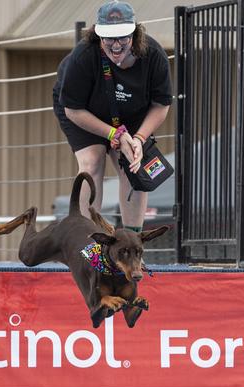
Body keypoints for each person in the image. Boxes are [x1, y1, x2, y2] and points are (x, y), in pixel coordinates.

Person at [53, 0, 172, 233]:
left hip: (131, 115)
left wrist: (137, 139)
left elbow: (161, 104)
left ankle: (132, 242)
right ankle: (88, 244)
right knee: (92, 161)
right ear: (98, 35)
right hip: (84, 112)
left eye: (122, 37)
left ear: (135, 34)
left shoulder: (154, 56)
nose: (115, 45)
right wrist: (112, 133)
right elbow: (72, 109)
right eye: (108, 38)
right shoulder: (83, 57)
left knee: (133, 163)